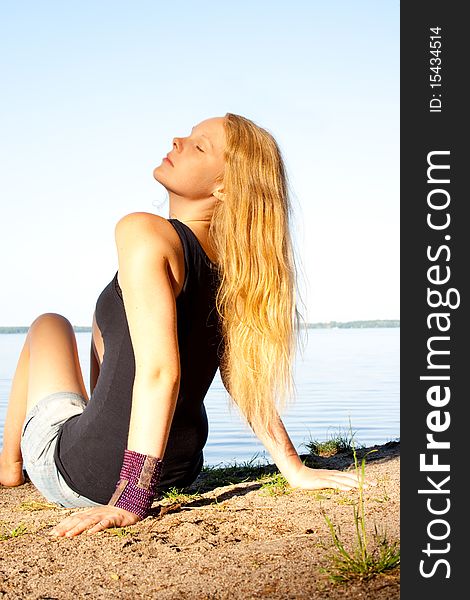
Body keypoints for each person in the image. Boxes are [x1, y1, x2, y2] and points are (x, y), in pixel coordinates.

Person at [0, 113, 369, 538]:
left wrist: (130, 500)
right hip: (178, 470)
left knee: (49, 325)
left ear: (224, 186)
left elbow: (161, 372)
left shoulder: (143, 232)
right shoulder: (237, 270)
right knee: (108, 332)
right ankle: (78, 443)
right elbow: (240, 376)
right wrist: (294, 467)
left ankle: (10, 467)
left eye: (198, 146)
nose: (178, 139)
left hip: (92, 476)